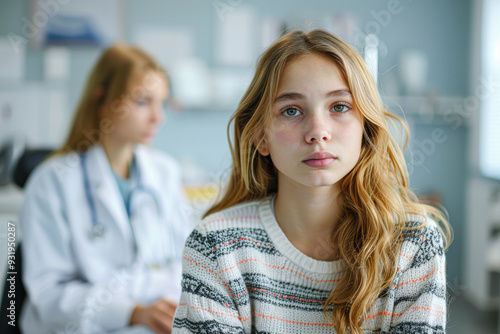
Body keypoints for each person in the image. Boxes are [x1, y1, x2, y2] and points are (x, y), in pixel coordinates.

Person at [172, 30, 453, 334]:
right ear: (261, 136)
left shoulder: (414, 243)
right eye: (291, 111)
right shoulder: (215, 247)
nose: (318, 131)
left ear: (365, 127)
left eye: (339, 107)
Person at [19, 44, 193, 334]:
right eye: (142, 102)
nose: (158, 117)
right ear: (103, 99)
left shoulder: (164, 172)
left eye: (161, 103)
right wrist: (130, 311)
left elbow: (186, 262)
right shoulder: (53, 180)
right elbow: (48, 297)